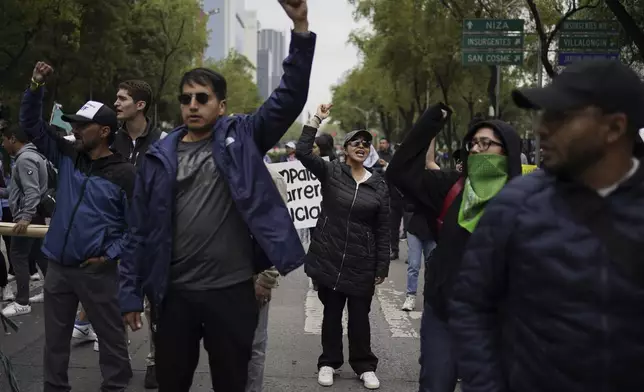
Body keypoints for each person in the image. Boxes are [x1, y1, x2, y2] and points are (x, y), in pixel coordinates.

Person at [118, 1, 313, 390]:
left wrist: (301, 28)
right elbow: (138, 230)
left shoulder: (242, 138)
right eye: (186, 98)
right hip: (175, 298)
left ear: (221, 106)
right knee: (171, 382)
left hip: (231, 294)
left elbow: (289, 98)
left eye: (202, 98)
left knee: (231, 382)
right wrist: (128, 293)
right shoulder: (158, 158)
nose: (193, 105)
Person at [451, 60, 644, 392]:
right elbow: (471, 305)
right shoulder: (515, 206)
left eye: (560, 117)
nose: (542, 129)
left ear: (614, 128)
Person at [386, 103, 522, 392]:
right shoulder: (450, 186)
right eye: (472, 143)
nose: (475, 149)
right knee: (436, 384)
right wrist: (431, 121)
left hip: (498, 323)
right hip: (444, 313)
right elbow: (398, 172)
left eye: (486, 143)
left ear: (507, 151)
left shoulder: (526, 202)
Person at [21, 61, 134, 391]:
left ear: (103, 132)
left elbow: (139, 228)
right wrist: (35, 86)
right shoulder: (68, 155)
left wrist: (108, 255)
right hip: (58, 267)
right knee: (54, 345)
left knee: (112, 344)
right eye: (75, 124)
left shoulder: (125, 174)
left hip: (97, 273)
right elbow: (31, 124)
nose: (75, 130)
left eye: (83, 126)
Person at [296, 104, 390, 390]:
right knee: (332, 314)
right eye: (356, 143)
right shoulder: (332, 172)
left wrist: (382, 266)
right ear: (346, 148)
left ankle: (364, 366)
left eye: (366, 144)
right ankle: (328, 363)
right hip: (330, 257)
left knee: (360, 318)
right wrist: (316, 120)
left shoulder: (379, 185)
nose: (361, 146)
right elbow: (302, 152)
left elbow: (384, 229)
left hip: (363, 262)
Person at [0, 124, 49, 317]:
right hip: (33, 214)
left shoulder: (25, 159)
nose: (3, 144)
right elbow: (17, 190)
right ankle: (50, 291)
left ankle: (22, 302)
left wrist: (25, 217)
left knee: (18, 255)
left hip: (27, 216)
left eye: (4, 140)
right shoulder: (31, 156)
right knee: (40, 255)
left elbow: (32, 191)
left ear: (12, 138)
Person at [245, 164, 287, 392]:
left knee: (254, 345)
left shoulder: (271, 177)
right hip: (218, 276)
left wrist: (267, 278)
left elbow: (278, 230)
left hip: (254, 277)